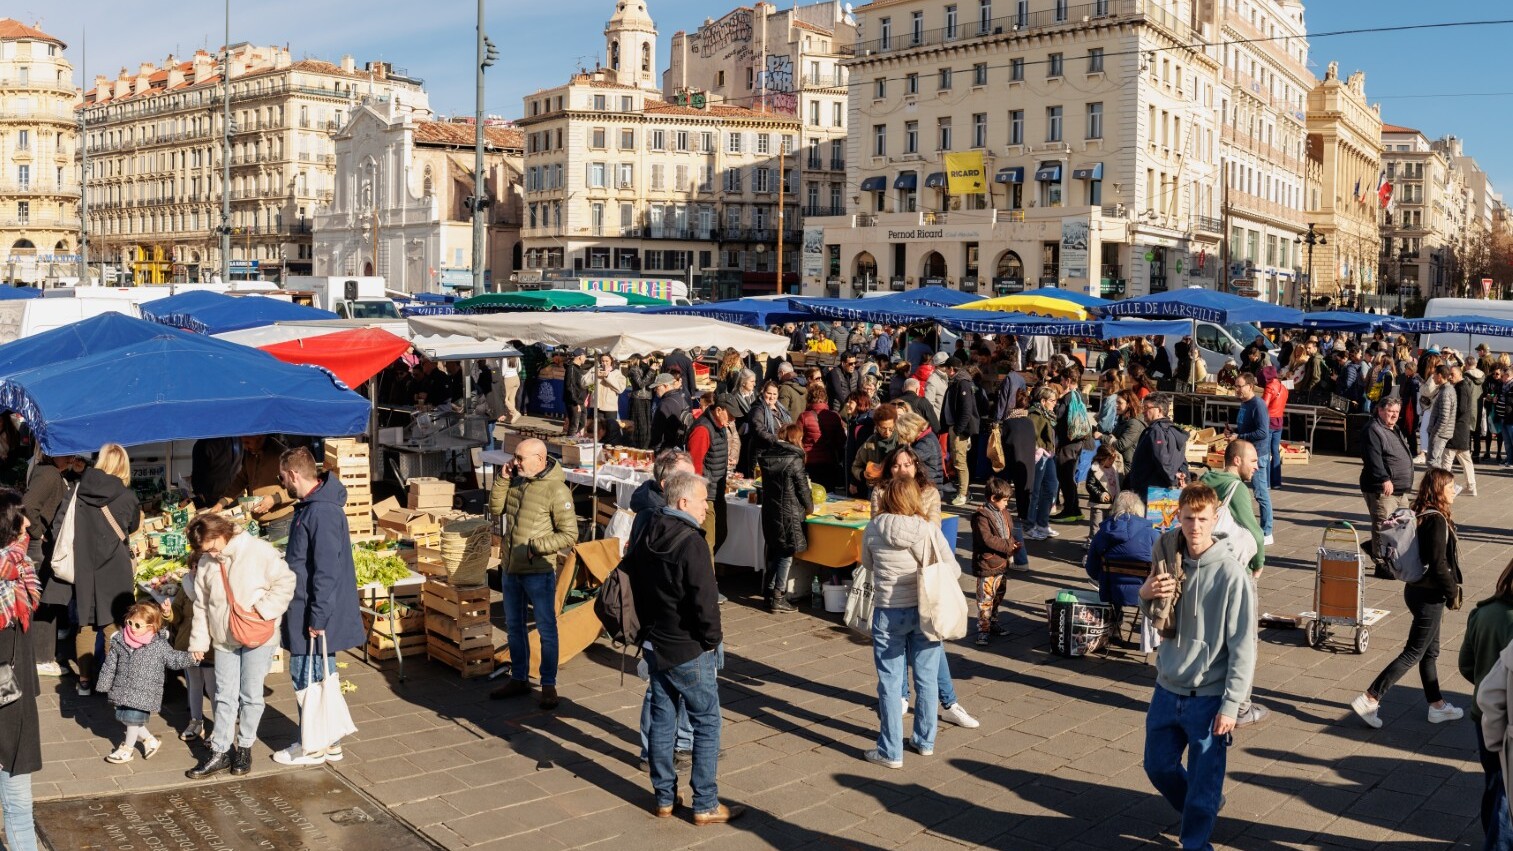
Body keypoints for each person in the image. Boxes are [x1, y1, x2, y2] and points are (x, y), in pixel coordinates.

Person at [1138, 484, 1257, 851]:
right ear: (1179, 516)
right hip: (1167, 685)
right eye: (1189, 518)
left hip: (1208, 696)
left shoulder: (1232, 575)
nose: (1195, 527)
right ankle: (1201, 805)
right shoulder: (1168, 557)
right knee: (1157, 766)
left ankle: (1196, 842)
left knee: (1205, 782)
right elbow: (1155, 615)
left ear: (1215, 518)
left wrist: (1231, 705)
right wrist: (1144, 595)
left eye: (1203, 519)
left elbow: (1244, 647)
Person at [626, 472, 743, 825]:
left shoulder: (649, 528)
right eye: (702, 501)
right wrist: (712, 640)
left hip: (655, 641)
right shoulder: (691, 541)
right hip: (687, 646)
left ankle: (664, 798)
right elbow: (705, 601)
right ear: (682, 502)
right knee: (707, 721)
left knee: (663, 719)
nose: (706, 508)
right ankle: (705, 802)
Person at [184, 513, 296, 780]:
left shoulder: (258, 550)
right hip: (224, 637)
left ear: (221, 532)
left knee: (251, 694)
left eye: (212, 546)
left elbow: (286, 581)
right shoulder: (207, 562)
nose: (211, 553)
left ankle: (245, 747)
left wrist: (263, 611)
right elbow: (201, 604)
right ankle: (220, 751)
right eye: (205, 550)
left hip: (258, 635)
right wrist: (199, 641)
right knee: (223, 695)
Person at [1351, 467, 1465, 729]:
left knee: (1429, 652)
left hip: (1415, 589)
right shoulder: (1436, 520)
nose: (1454, 492)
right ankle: (1371, 697)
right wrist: (1452, 593)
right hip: (1429, 595)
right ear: (1439, 490)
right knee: (1414, 652)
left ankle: (1437, 706)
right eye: (1450, 487)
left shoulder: (1420, 512)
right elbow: (1438, 564)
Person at [272, 447, 364, 765]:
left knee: (307, 677)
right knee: (322, 676)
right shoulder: (314, 507)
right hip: (308, 606)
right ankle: (329, 742)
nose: (282, 484)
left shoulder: (321, 512)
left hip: (310, 610)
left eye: (282, 478)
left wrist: (318, 616)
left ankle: (311, 746)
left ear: (293, 474)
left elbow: (326, 570)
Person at [861, 477, 946, 769]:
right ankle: (925, 741)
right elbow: (951, 567)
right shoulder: (927, 529)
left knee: (890, 681)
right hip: (924, 609)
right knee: (927, 678)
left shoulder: (874, 527)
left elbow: (867, 564)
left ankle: (890, 750)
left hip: (888, 610)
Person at [45, 444, 139, 696]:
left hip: (85, 564)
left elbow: (59, 524)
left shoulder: (78, 489)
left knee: (85, 623)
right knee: (113, 624)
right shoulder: (128, 496)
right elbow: (132, 526)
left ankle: (84, 680)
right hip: (116, 566)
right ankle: (110, 682)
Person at [489, 438, 576, 708]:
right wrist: (502, 479)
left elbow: (569, 535)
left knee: (546, 629)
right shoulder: (517, 481)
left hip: (538, 571)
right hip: (511, 568)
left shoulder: (557, 491)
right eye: (515, 456)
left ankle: (548, 684)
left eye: (520, 458)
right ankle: (519, 678)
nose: (515, 462)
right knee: (514, 627)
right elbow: (496, 509)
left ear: (539, 460)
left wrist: (534, 548)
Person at [1200, 440, 1268, 727]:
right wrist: (1259, 562)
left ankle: (1208, 695)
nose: (1257, 466)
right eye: (1252, 461)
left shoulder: (1205, 480)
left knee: (1212, 635)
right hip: (1235, 569)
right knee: (1244, 638)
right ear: (1236, 460)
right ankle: (1241, 706)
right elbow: (1255, 532)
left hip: (1207, 566)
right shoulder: (1236, 487)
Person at [98, 601, 197, 764]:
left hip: (144, 691)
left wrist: (191, 657)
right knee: (125, 718)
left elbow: (174, 659)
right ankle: (150, 740)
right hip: (123, 688)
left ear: (152, 626)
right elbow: (110, 664)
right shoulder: (120, 640)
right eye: (130, 622)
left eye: (138, 625)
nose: (133, 628)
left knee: (131, 721)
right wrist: (104, 683)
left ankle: (127, 750)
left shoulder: (158, 645)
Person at [1460, 558, 1513, 846]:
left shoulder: (1482, 613)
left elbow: (1466, 665)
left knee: (1494, 782)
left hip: (1482, 715)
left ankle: (1489, 831)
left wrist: (1483, 682)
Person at [0, 488, 39, 851]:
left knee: (18, 804)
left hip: (15, 697)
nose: (28, 524)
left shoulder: (19, 572)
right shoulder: (8, 578)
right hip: (6, 702)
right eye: (19, 517)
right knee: (18, 804)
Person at [22, 454, 69, 677]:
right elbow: (28, 505)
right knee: (44, 600)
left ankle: (40, 655)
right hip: (39, 547)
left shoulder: (50, 471)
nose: (72, 458)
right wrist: (38, 532)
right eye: (68, 454)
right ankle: (41, 658)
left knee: (44, 599)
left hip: (41, 545)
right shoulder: (48, 473)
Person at [758, 424, 812, 614]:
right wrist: (809, 507)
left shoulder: (766, 457)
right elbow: (803, 489)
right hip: (789, 512)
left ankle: (769, 594)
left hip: (771, 511)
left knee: (776, 551)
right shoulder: (794, 460)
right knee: (786, 553)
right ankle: (778, 596)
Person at [1360, 398, 1414, 579]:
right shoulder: (1373, 430)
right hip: (1383, 488)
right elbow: (1372, 458)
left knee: (1403, 524)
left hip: (1400, 488)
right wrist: (1384, 478)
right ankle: (1381, 563)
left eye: (1397, 412)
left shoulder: (1394, 428)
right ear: (1380, 410)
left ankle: (1381, 551)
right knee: (1383, 525)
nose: (1394, 415)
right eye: (1390, 411)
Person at [164, 549, 215, 742]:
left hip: (210, 647)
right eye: (193, 566)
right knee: (194, 684)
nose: (195, 570)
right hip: (187, 644)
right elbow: (177, 613)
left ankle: (219, 726)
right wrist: (169, 613)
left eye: (200, 566)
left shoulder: (214, 587)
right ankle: (196, 720)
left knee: (213, 688)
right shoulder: (186, 586)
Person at [1085, 491, 1161, 611]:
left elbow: (1091, 569)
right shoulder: (1152, 534)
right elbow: (1162, 568)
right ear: (1140, 508)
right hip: (1146, 592)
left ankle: (1116, 617)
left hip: (1111, 591)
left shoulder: (1102, 533)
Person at [688, 395, 738, 571]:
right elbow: (695, 465)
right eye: (730, 415)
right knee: (707, 541)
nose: (732, 420)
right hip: (705, 494)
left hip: (717, 491)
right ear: (718, 410)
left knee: (721, 533)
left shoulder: (719, 426)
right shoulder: (703, 429)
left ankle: (703, 571)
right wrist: (699, 497)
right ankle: (707, 582)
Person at [970, 477, 1020, 646]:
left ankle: (992, 622)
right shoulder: (981, 517)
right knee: (985, 598)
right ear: (993, 498)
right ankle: (983, 630)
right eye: (1004, 500)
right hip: (987, 564)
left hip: (1002, 563)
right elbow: (987, 540)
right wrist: (1008, 545)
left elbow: (1009, 532)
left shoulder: (1004, 513)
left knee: (998, 595)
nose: (1006, 504)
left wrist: (1013, 545)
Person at [219, 435, 294, 542]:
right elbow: (241, 480)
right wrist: (222, 503)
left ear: (259, 438)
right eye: (243, 443)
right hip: (261, 522)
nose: (245, 447)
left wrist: (274, 499)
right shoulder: (251, 454)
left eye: (247, 442)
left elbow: (298, 487)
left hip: (282, 522)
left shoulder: (282, 455)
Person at [1229, 372, 1273, 544]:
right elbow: (1245, 427)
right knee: (1236, 489)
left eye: (1240, 386)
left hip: (1257, 456)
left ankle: (1267, 532)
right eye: (1235, 386)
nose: (1237, 390)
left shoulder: (1258, 405)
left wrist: (1240, 436)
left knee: (1261, 494)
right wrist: (1233, 432)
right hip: (1243, 453)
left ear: (1250, 387)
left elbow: (1262, 432)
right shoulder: (1244, 404)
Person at [1126, 394, 1188, 502]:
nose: (1143, 411)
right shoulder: (1174, 431)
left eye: (1147, 408)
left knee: (1154, 514)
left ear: (1159, 410)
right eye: (1143, 407)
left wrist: (1173, 479)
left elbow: (1161, 459)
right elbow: (1182, 460)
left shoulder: (1156, 431)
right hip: (1169, 492)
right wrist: (1183, 479)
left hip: (1152, 492)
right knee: (1165, 514)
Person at [942, 360, 983, 507]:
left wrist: (958, 430)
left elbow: (966, 410)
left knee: (960, 462)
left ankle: (963, 494)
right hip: (955, 427)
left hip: (959, 429)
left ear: (951, 369)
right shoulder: (957, 381)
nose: (945, 371)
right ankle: (962, 491)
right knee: (957, 461)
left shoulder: (962, 383)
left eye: (946, 368)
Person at [798, 384, 847, 493]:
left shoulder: (804, 416)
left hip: (809, 462)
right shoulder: (834, 416)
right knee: (828, 493)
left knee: (811, 493)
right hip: (829, 462)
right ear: (825, 399)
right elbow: (842, 440)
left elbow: (797, 441)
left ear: (809, 399)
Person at [1025, 386, 1059, 540]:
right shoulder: (1035, 414)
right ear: (1043, 401)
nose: (1055, 403)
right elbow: (1032, 435)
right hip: (1039, 455)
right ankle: (1029, 526)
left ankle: (1042, 523)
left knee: (1052, 486)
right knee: (1035, 491)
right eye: (1052, 400)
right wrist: (1039, 449)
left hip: (1048, 454)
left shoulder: (1047, 414)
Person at [851, 403, 901, 499]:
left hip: (896, 490)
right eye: (883, 428)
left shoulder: (901, 440)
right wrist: (863, 474)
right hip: (875, 491)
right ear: (877, 426)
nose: (887, 432)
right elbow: (856, 466)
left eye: (891, 428)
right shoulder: (870, 442)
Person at [1446, 364, 1480, 497]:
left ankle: (1446, 488)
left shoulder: (1461, 387)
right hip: (1462, 429)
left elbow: (1461, 408)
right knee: (1465, 459)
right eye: (1449, 374)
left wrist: (1449, 416)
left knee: (1446, 460)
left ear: (1460, 374)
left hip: (1457, 429)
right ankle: (1471, 487)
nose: (1450, 377)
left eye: (1452, 374)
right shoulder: (1461, 386)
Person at [893, 410, 943, 488]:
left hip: (930, 486)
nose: (903, 438)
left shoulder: (926, 442)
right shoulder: (926, 436)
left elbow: (909, 459)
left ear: (909, 431)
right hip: (928, 482)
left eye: (903, 435)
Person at [1085, 443, 1123, 540]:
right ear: (1102, 458)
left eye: (1113, 460)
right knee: (1096, 527)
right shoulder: (1095, 469)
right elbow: (1089, 485)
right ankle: (1091, 544)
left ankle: (1104, 544)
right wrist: (1100, 494)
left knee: (1109, 527)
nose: (1112, 462)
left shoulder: (1114, 468)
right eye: (1109, 460)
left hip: (1112, 504)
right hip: (1098, 505)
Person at [189, 437, 239, 510]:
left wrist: (198, 491)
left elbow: (197, 475)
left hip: (214, 499)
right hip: (234, 496)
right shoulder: (237, 439)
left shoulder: (202, 444)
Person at [1426, 364, 1458, 471]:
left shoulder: (1446, 392)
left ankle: (1444, 481)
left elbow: (1444, 417)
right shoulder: (1445, 390)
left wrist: (1435, 433)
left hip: (1440, 433)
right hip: (1441, 432)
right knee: (1436, 461)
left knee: (1433, 462)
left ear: (1440, 375)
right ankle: (1440, 481)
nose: (1433, 377)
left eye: (1434, 375)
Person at [649, 372, 692, 452]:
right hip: (679, 448)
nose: (655, 390)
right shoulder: (681, 398)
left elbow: (657, 433)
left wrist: (653, 451)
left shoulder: (665, 404)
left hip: (665, 450)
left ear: (666, 386)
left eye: (657, 387)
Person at [590, 353, 628, 437]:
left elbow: (620, 389)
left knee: (611, 431)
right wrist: (593, 374)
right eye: (602, 361)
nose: (604, 363)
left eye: (607, 361)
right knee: (598, 431)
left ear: (611, 361)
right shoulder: (596, 370)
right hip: (597, 405)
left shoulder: (617, 373)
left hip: (610, 406)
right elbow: (585, 382)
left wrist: (608, 376)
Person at [1111, 389, 1147, 473]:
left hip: (1128, 468)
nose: (1116, 405)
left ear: (1129, 404)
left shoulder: (1134, 423)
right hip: (1119, 462)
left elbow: (1121, 445)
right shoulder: (1122, 419)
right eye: (1116, 402)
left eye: (1119, 403)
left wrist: (1103, 437)